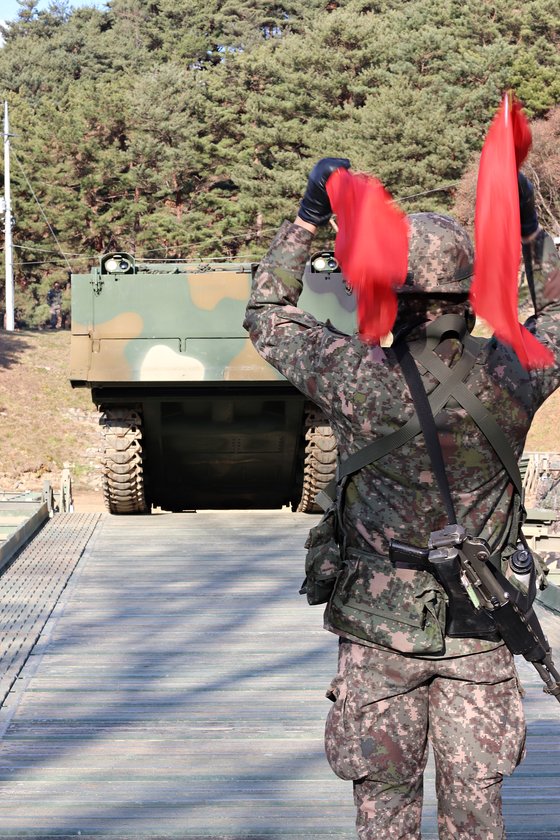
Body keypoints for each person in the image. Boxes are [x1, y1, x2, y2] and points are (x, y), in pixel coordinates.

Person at [243, 158, 560, 839]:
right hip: (481, 628)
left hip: (377, 635)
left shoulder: (353, 374)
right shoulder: (516, 370)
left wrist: (308, 219)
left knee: (384, 816)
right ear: (472, 292)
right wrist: (531, 229)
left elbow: (267, 313)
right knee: (476, 818)